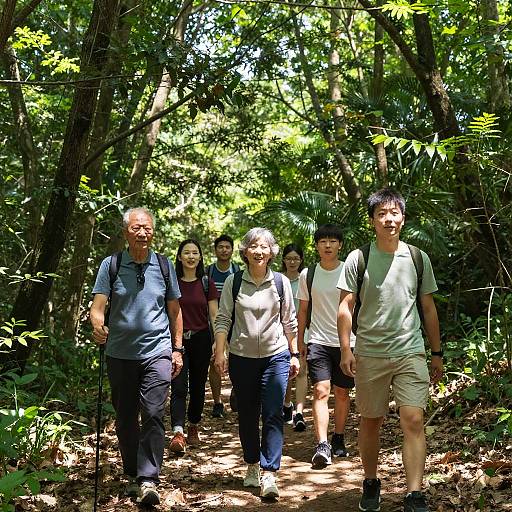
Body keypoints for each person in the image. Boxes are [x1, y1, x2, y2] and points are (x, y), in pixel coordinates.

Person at [337, 188, 443, 512]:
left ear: (403, 218)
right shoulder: (359, 258)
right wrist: (346, 349)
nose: (389, 219)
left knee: (412, 418)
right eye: (382, 213)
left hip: (410, 350)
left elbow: (428, 308)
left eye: (394, 213)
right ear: (372, 221)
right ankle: (371, 481)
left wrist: (436, 353)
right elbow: (345, 306)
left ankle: (414, 494)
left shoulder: (416, 257)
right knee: (371, 421)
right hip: (369, 352)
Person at [90, 207, 183, 506]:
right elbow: (98, 305)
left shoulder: (165, 266)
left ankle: (148, 478)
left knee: (154, 413)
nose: (142, 233)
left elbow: (174, 311)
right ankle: (133, 471)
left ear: (153, 231)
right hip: (119, 353)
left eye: (147, 228)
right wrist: (97, 324)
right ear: (126, 232)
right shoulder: (112, 265)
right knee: (125, 417)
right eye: (136, 228)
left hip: (157, 351)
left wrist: (177, 348)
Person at [214, 227, 300, 499]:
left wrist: (294, 353)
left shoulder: (280, 282)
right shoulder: (234, 282)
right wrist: (219, 351)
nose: (259, 251)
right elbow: (224, 318)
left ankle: (270, 473)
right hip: (242, 357)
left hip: (276, 356)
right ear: (246, 251)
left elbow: (290, 321)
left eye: (264, 246)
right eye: (253, 246)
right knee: (248, 413)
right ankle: (252, 464)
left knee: (273, 413)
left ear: (272, 251)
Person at [297, 224, 355, 467]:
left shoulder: (350, 272)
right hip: (318, 340)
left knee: (342, 393)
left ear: (340, 245)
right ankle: (322, 444)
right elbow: (303, 310)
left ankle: (339, 437)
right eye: (323, 241)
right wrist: (300, 340)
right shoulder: (308, 275)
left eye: (332, 241)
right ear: (317, 245)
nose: (328, 245)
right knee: (321, 390)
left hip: (348, 342)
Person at [169, 239, 219, 453]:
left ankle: (193, 425)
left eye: (195, 253)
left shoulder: (206, 283)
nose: (191, 256)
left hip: (201, 339)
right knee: (178, 386)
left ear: (200, 257)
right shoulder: (171, 283)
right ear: (179, 257)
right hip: (176, 341)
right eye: (186, 253)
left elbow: (215, 315)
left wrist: (219, 340)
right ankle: (177, 433)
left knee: (198, 386)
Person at [205, 234, 240, 417]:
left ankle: (236, 389)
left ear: (232, 250)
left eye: (227, 247)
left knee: (236, 359)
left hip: (235, 323)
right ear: (215, 250)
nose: (224, 250)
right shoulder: (208, 272)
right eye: (221, 247)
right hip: (212, 323)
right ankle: (218, 402)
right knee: (214, 359)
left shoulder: (237, 271)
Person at [280, 244, 308, 431]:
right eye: (289, 258)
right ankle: (287, 405)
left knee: (302, 371)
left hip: (302, 331)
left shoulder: (305, 280)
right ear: (283, 260)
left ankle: (299, 413)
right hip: (281, 333)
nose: (292, 262)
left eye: (296, 258)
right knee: (286, 372)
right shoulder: (278, 280)